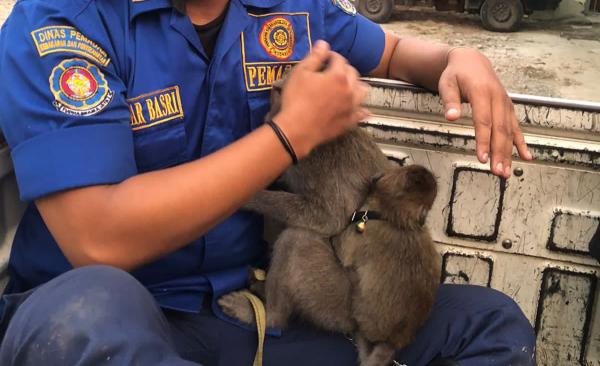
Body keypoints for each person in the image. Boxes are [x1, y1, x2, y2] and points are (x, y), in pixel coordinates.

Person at [0, 0, 536, 365]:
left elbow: (392, 53)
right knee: (86, 315)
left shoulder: (290, 7)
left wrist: (459, 58)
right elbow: (99, 236)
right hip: (123, 316)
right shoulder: (64, 21)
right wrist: (289, 134)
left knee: (488, 322)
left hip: (254, 303)